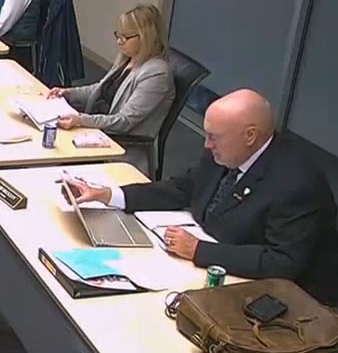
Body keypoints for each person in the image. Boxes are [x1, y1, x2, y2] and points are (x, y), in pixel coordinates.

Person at [64, 89, 338, 306]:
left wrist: (198, 250)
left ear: (250, 135)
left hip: (286, 302)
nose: (207, 144)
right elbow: (185, 188)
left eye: (214, 137)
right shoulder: (229, 149)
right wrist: (110, 195)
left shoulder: (297, 184)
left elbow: (283, 262)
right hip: (212, 266)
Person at [48, 4, 175, 174]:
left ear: (146, 37)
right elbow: (100, 89)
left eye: (125, 37)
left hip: (120, 145)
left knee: (51, 155)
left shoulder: (157, 74)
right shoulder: (128, 58)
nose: (119, 41)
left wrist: (81, 120)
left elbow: (124, 122)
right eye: (118, 35)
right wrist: (68, 93)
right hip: (97, 130)